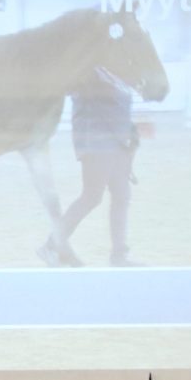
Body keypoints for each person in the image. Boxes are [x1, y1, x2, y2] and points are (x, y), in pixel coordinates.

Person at [42, 65, 141, 268]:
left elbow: (119, 110)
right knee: (91, 196)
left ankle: (119, 255)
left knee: (121, 195)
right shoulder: (88, 72)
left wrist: (130, 138)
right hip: (97, 144)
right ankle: (51, 245)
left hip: (118, 145)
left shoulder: (114, 74)